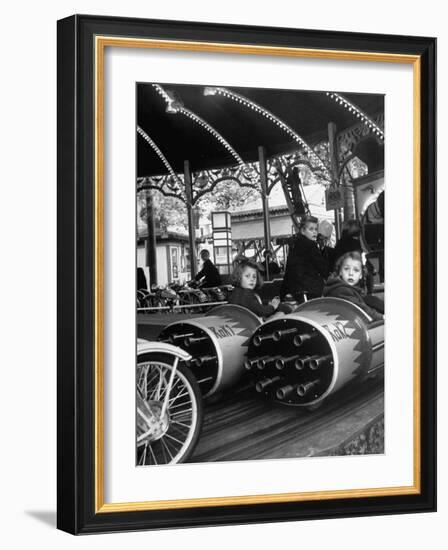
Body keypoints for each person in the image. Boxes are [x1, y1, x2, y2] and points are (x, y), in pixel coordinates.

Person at [323, 251, 383, 321]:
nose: (351, 273)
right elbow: (361, 309)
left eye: (356, 270)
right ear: (340, 272)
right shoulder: (341, 290)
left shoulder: (346, 288)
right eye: (346, 269)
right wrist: (381, 317)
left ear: (360, 275)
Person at [281, 215, 329, 302]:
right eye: (311, 229)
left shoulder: (294, 245)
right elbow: (322, 267)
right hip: (309, 289)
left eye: (315, 229)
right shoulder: (311, 246)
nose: (314, 232)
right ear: (303, 231)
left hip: (294, 288)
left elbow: (289, 269)